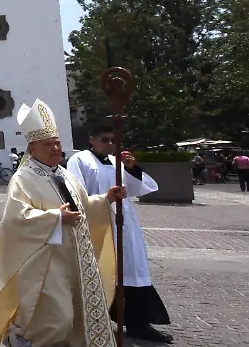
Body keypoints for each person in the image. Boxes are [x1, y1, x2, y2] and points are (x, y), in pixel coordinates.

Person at [0, 99, 127, 347]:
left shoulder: (63, 173)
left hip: (76, 259)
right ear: (32, 149)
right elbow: (16, 219)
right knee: (56, 321)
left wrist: (106, 199)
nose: (55, 148)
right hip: (46, 263)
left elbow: (83, 206)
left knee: (76, 317)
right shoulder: (24, 178)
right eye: (48, 145)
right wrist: (56, 218)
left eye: (57, 143)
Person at [68, 124, 172, 343]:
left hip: (125, 224)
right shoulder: (80, 160)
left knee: (131, 271)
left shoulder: (117, 162)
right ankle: (98, 322)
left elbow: (138, 189)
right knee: (104, 272)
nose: (109, 144)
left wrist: (132, 168)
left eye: (113, 141)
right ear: (92, 139)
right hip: (100, 224)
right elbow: (76, 193)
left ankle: (138, 323)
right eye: (104, 139)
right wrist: (105, 198)